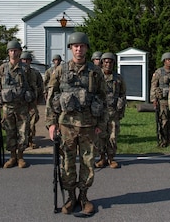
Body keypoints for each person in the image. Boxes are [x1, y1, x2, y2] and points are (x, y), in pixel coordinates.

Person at [46, 32, 106, 216]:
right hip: (66, 126)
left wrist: (100, 124)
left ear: (87, 48)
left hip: (88, 126)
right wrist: (51, 123)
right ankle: (71, 197)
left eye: (82, 46)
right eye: (75, 46)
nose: (79, 49)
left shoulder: (95, 72)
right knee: (67, 163)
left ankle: (84, 197)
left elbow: (103, 99)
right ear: (71, 49)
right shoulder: (61, 70)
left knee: (88, 162)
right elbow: (51, 96)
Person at [0, 41, 35, 168]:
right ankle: (12, 157)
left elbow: (33, 87)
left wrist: (32, 105)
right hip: (8, 107)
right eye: (11, 50)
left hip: (22, 107)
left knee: (23, 132)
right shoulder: (2, 68)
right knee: (10, 132)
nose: (13, 52)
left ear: (20, 52)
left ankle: (21, 157)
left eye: (16, 50)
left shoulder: (26, 69)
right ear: (8, 52)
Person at [95, 52, 126, 169]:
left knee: (112, 137)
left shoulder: (118, 78)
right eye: (106, 62)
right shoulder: (97, 76)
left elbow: (123, 93)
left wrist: (121, 107)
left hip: (113, 113)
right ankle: (102, 158)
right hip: (100, 113)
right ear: (102, 63)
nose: (108, 64)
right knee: (100, 137)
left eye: (110, 62)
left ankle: (111, 158)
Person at [150, 52, 170, 148]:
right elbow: (153, 86)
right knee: (163, 120)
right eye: (168, 60)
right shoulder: (159, 72)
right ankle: (163, 139)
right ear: (164, 61)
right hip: (162, 100)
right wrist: (154, 99)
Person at [20, 51, 44, 149]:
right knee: (22, 123)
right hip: (21, 103)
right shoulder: (18, 72)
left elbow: (40, 86)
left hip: (32, 102)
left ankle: (30, 140)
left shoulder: (35, 73)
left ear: (30, 61)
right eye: (23, 60)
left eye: (27, 60)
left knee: (32, 122)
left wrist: (38, 100)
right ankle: (22, 141)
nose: (25, 61)